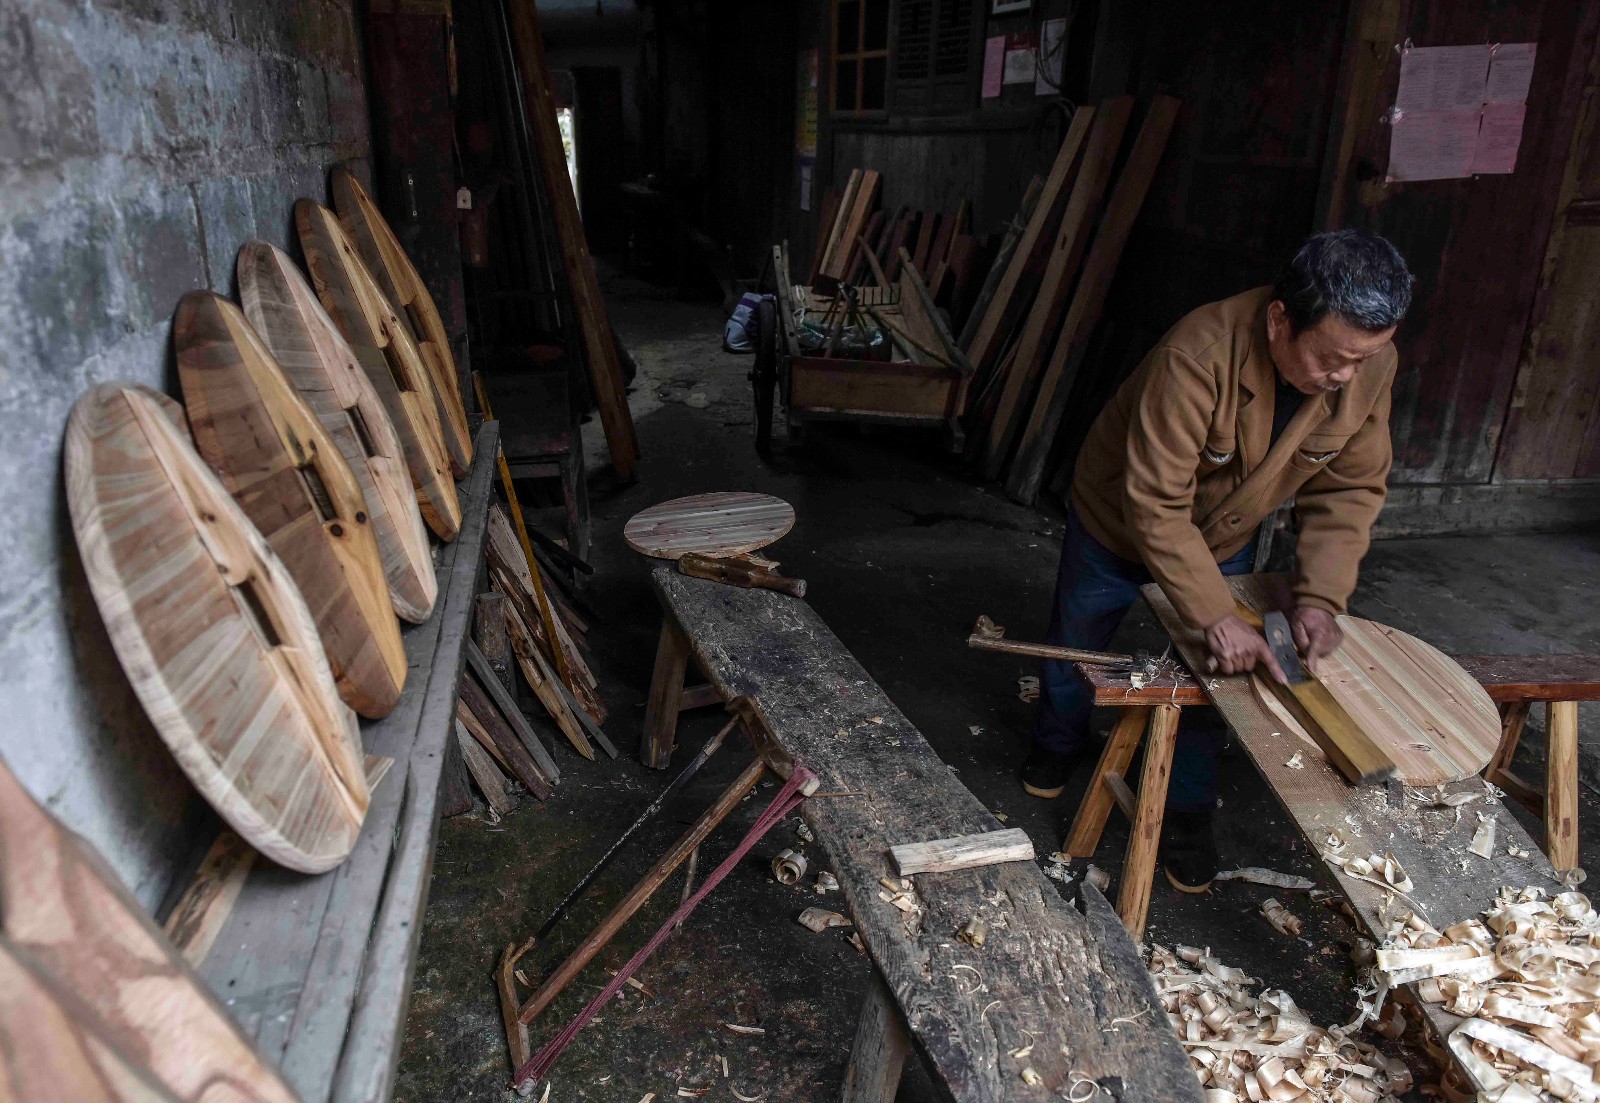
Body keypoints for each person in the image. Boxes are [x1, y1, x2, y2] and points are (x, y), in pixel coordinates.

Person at [1020, 228, 1414, 892]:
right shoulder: (1197, 353)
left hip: (1223, 533)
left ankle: (1187, 815)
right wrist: (1212, 611)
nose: (1345, 376)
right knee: (1080, 640)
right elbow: (1155, 503)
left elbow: (1350, 486)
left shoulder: (1367, 363)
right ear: (1280, 318)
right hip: (1121, 513)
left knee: (1215, 679)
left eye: (1364, 357)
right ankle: (1054, 746)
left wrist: (1320, 597)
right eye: (1331, 358)